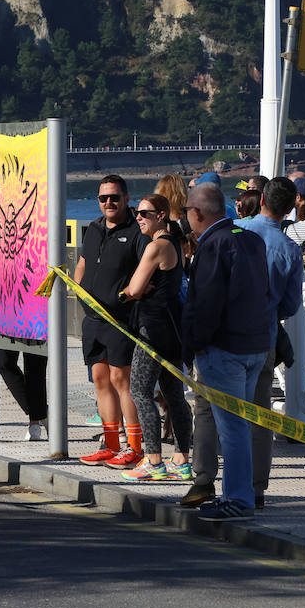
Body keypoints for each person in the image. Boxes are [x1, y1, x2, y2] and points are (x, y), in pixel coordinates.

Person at [179, 182, 271, 521]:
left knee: (231, 428)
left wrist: (190, 348)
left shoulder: (213, 245)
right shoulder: (250, 239)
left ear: (197, 213)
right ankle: (243, 492)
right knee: (241, 426)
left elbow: (203, 303)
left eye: (188, 211)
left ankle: (239, 498)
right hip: (255, 344)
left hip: (224, 348)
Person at [232, 177, 304, 508]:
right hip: (265, 337)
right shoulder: (289, 248)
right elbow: (291, 306)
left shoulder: (234, 231)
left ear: (260, 199)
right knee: (260, 413)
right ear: (291, 209)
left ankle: (220, 482)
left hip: (228, 334)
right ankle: (257, 485)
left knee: (222, 412)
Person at [117, 194, 193, 481]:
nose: (138, 217)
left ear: (161, 215)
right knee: (174, 395)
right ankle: (181, 460)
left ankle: (154, 460)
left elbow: (134, 289)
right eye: (137, 213)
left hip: (151, 327)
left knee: (140, 392)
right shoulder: (176, 243)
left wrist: (123, 293)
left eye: (145, 214)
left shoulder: (155, 246)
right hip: (173, 327)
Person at [74, 174, 144, 468]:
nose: (109, 203)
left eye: (114, 197)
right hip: (92, 320)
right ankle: (111, 444)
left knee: (121, 380)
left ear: (127, 199)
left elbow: (148, 272)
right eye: (103, 198)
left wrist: (124, 298)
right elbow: (83, 263)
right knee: (101, 380)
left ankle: (135, 446)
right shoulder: (93, 228)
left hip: (121, 320)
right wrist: (79, 290)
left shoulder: (137, 231)